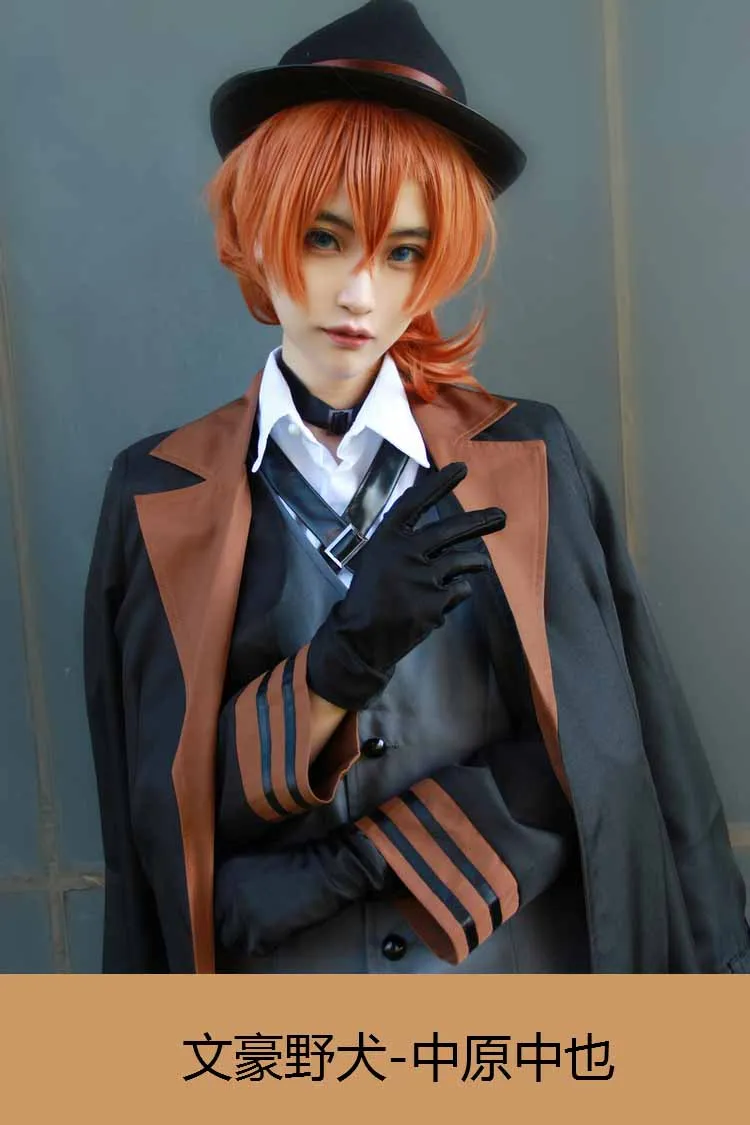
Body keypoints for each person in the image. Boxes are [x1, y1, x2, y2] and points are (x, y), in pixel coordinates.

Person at [84, 0, 750, 974]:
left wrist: (352, 865)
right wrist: (341, 661)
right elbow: (160, 807)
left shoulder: (527, 457)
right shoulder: (159, 493)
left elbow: (612, 752)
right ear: (256, 231)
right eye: (324, 238)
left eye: (402, 252)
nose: (361, 294)